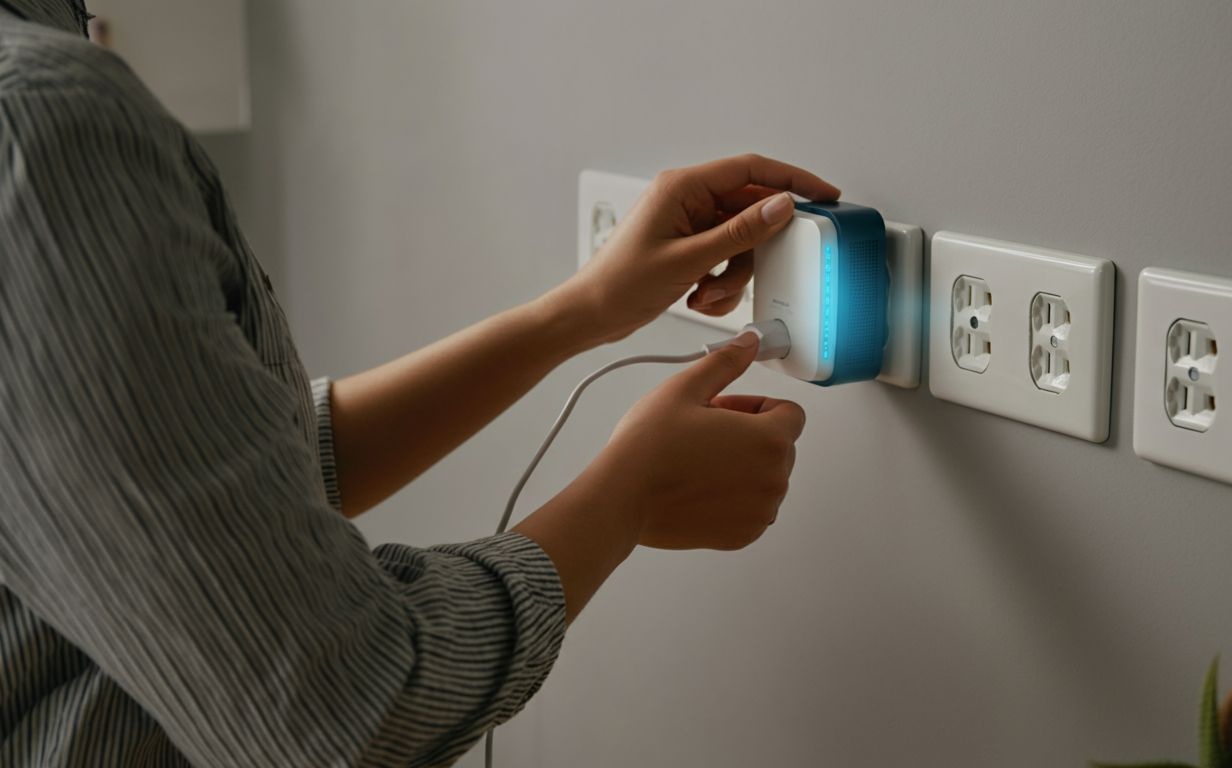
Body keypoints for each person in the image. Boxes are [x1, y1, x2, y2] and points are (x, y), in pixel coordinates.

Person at [0, 1, 841, 766]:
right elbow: (345, 709)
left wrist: (579, 313)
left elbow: (212, 486)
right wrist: (630, 497)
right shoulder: (41, 127)